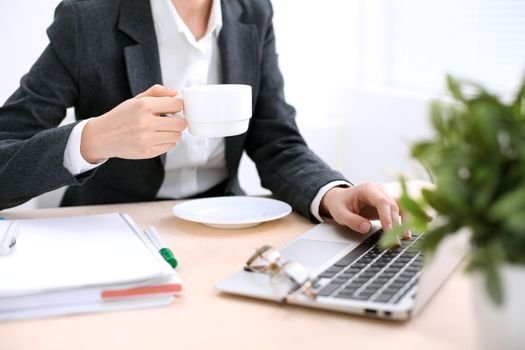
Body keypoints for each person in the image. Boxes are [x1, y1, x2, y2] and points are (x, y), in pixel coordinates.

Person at [0, 0, 408, 239]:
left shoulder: (253, 12)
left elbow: (276, 140)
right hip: (111, 231)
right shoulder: (85, 20)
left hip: (225, 227)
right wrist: (91, 139)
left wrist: (331, 193)